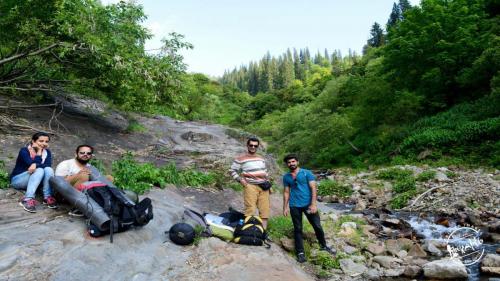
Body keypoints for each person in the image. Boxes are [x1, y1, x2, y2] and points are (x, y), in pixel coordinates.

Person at [282, 154, 334, 263]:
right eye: (289, 162)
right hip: (294, 205)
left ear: (297, 162)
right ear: (287, 164)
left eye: (293, 161)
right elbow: (286, 192)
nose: (291, 164)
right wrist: (285, 207)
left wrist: (313, 204)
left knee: (317, 225)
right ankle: (300, 253)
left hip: (308, 204)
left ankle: (323, 245)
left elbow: (313, 188)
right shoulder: (286, 177)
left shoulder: (307, 173)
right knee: (298, 229)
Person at [229, 137, 271, 229]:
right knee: (250, 209)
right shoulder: (241, 158)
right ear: (247, 145)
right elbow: (232, 170)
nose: (253, 147)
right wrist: (240, 180)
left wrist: (268, 181)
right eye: (251, 145)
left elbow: (265, 171)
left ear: (257, 146)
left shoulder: (261, 158)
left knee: (264, 211)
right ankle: (247, 231)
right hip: (250, 186)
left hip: (264, 186)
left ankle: (263, 233)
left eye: (255, 146)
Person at [10, 132, 57, 212]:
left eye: (46, 141)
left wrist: (35, 164)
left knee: (49, 169)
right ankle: (27, 199)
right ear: (33, 141)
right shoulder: (24, 151)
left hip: (35, 180)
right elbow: (30, 165)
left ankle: (47, 197)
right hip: (18, 180)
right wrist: (38, 152)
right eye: (41, 141)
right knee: (39, 170)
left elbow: (47, 165)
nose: (44, 143)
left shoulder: (47, 152)